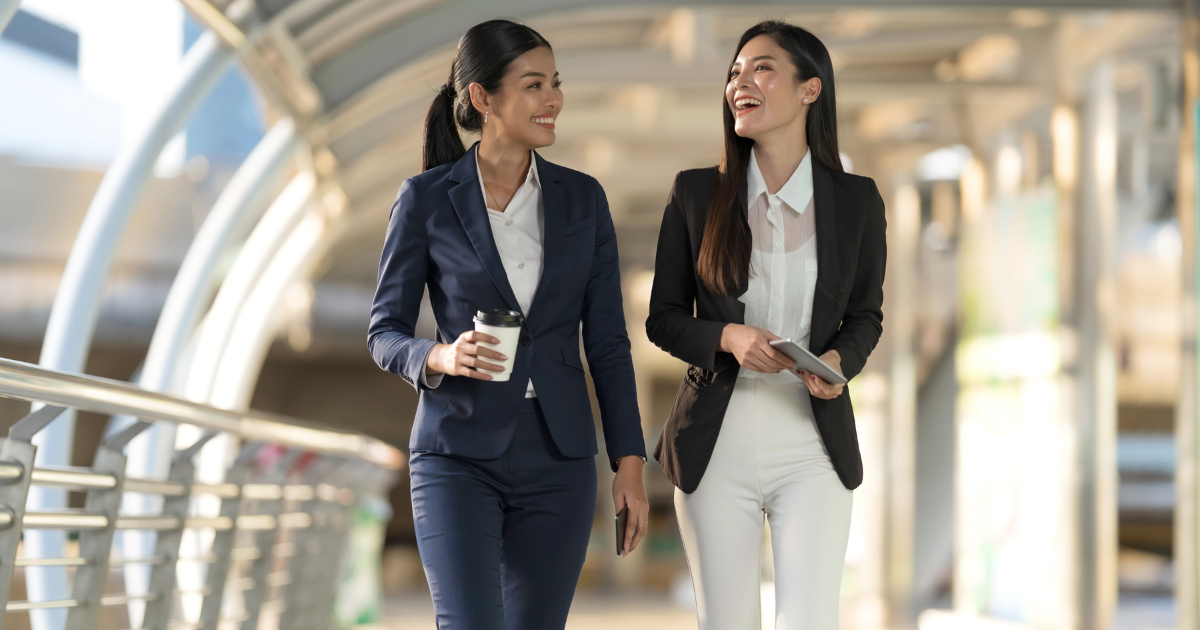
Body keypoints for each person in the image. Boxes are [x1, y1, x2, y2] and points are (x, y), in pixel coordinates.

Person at [367, 19, 648, 629]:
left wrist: (629, 463)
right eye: (533, 85)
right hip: (456, 454)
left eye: (555, 83)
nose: (553, 100)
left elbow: (606, 342)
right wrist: (437, 357)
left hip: (560, 457)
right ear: (483, 99)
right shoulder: (426, 199)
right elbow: (383, 332)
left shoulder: (584, 200)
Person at [646, 20, 887, 629]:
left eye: (761, 68)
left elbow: (865, 315)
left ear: (811, 89)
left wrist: (838, 363)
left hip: (813, 444)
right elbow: (664, 319)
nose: (740, 82)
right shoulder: (696, 195)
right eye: (734, 71)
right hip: (715, 446)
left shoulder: (857, 201)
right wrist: (726, 337)